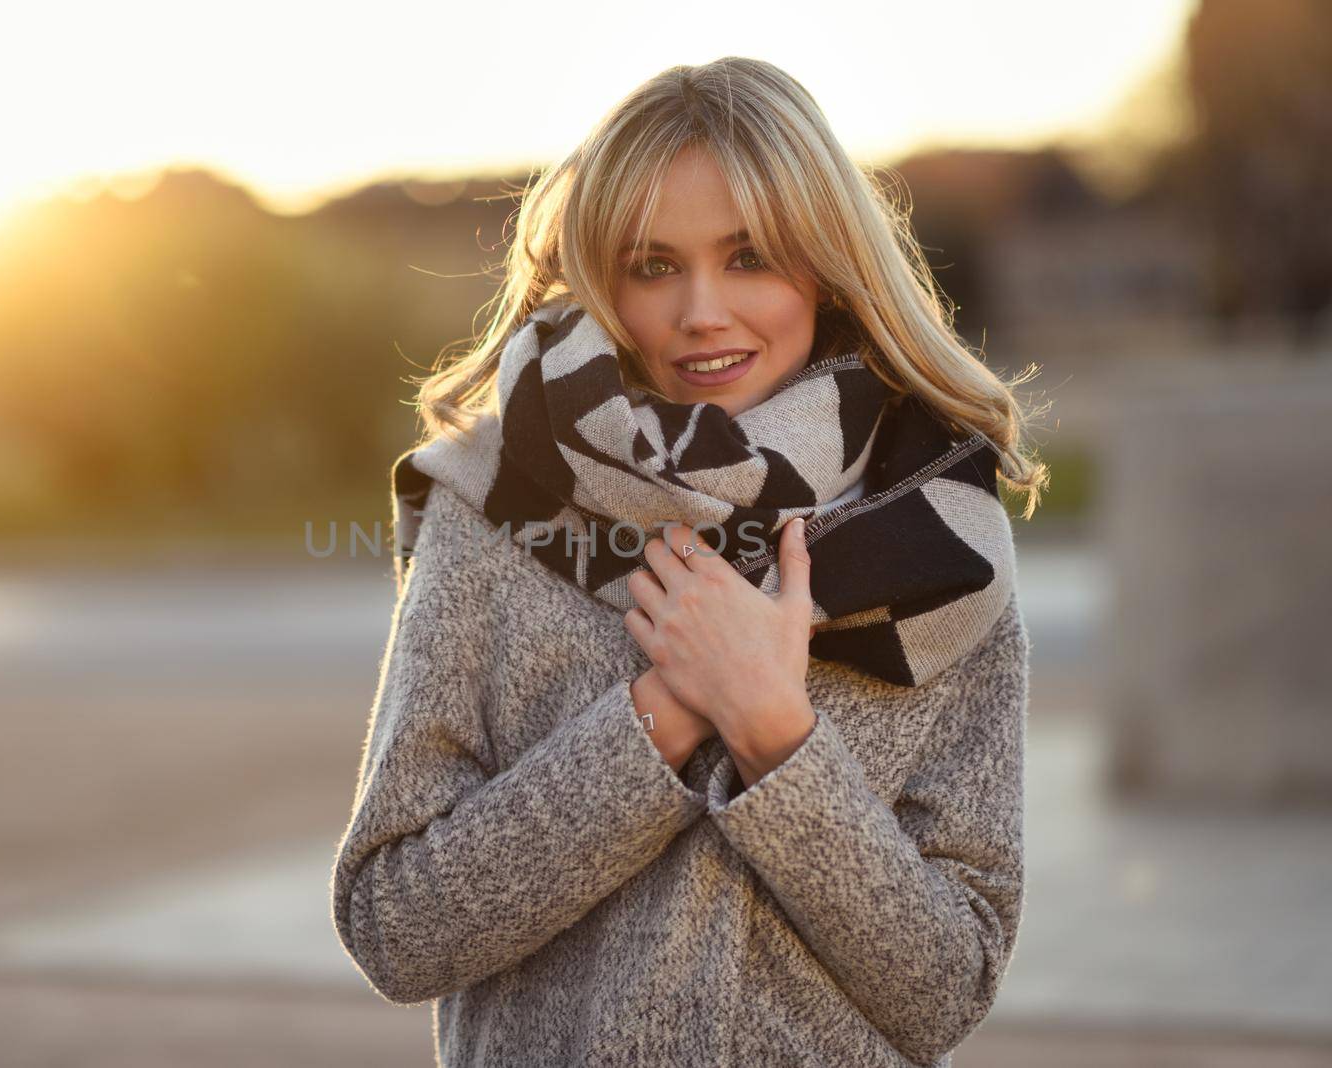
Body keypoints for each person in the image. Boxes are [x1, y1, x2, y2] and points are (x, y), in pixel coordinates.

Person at [330, 55, 1048, 1067]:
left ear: (826, 262)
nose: (701, 310)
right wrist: (661, 718)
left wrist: (771, 729)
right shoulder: (497, 507)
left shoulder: (941, 545)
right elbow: (393, 927)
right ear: (600, 278)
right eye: (653, 264)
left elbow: (945, 988)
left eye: (750, 255)